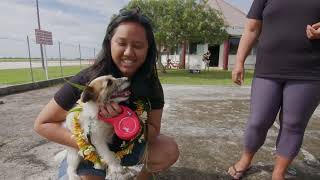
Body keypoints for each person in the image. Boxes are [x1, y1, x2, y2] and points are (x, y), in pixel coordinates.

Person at [34, 8, 179, 180]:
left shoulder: (150, 84)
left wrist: (126, 122)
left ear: (148, 48)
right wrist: (89, 143)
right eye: (122, 43)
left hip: (129, 147)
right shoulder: (90, 81)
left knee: (168, 150)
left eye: (138, 45)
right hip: (89, 150)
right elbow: (42, 124)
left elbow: (154, 129)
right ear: (110, 42)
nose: (129, 52)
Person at [228, 0, 320, 179]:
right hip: (267, 69)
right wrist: (239, 62)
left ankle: (279, 173)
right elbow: (252, 28)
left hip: (309, 71)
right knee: (258, 121)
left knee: (293, 125)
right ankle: (245, 160)